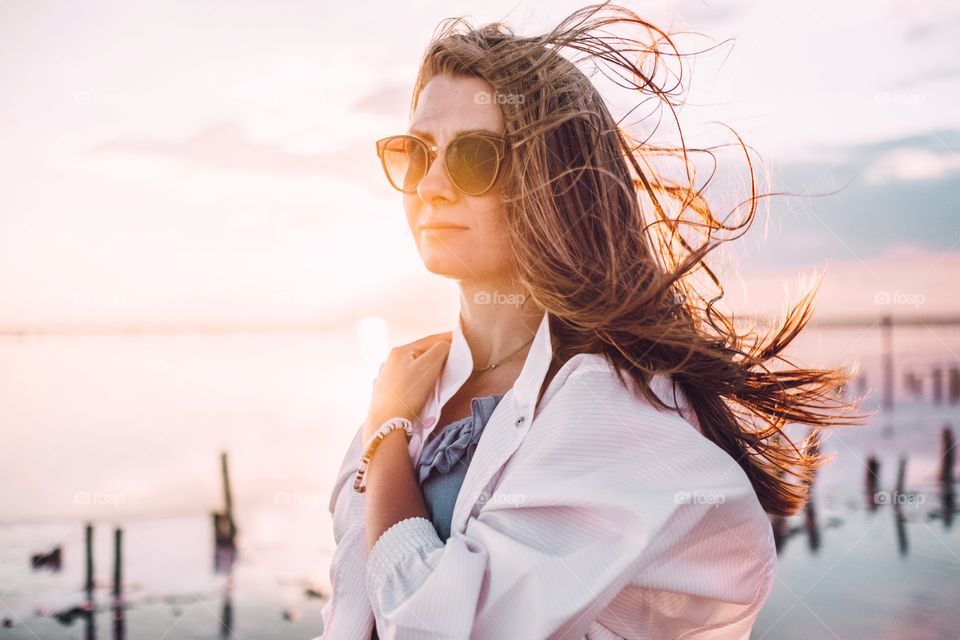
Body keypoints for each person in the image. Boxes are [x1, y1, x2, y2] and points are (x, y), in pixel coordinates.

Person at [315, 2, 862, 638]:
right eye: (416, 152)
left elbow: (444, 624)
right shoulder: (413, 384)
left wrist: (386, 441)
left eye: (472, 157)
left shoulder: (619, 407)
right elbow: (350, 614)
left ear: (550, 183)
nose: (431, 185)